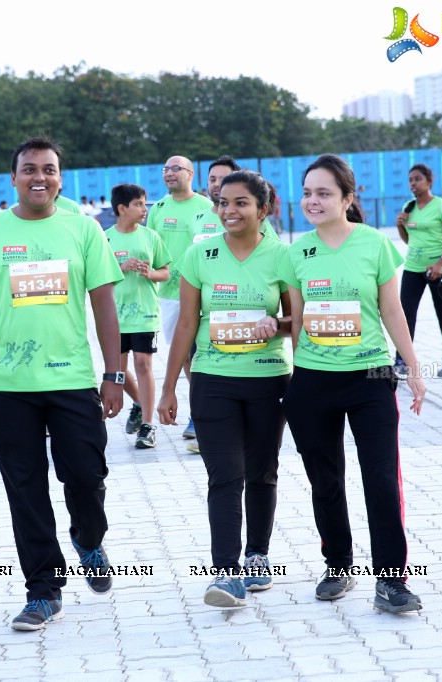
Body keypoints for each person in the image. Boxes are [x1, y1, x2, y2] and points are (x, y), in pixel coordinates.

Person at [0, 136, 124, 631]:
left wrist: (113, 374)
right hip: (9, 386)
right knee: (25, 490)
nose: (39, 177)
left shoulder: (84, 230)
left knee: (87, 476)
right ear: (13, 178)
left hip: (71, 381)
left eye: (48, 169)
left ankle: (88, 540)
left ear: (60, 178)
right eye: (29, 169)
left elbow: (104, 304)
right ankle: (43, 591)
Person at [282, 153, 426, 614]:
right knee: (325, 480)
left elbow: (392, 310)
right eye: (307, 192)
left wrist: (413, 366)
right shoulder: (296, 251)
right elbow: (297, 319)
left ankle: (391, 581)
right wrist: (269, 325)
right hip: (311, 380)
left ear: (348, 197)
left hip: (371, 377)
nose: (313, 200)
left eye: (324, 192)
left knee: (382, 480)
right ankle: (338, 565)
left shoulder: (376, 245)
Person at [158, 170, 292, 608]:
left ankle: (258, 555)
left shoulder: (282, 256)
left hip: (270, 378)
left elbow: (298, 321)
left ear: (263, 209)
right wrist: (169, 387)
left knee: (262, 471)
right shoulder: (200, 256)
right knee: (224, 476)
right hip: (213, 381)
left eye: (240, 203)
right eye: (223, 203)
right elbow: (186, 327)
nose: (229, 211)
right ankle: (225, 572)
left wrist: (279, 322)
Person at [148, 155, 213, 445]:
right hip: (169, 296)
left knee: (203, 352)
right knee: (185, 355)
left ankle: (201, 415)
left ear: (190, 173)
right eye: (166, 169)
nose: (169, 174)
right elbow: (150, 246)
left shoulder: (206, 207)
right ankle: (198, 410)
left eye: (176, 169)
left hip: (203, 293)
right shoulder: (158, 208)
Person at [106, 183, 170, 449]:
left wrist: (150, 274)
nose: (145, 209)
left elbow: (165, 272)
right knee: (119, 372)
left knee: (143, 365)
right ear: (122, 208)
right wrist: (121, 267)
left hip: (145, 314)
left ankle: (147, 425)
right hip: (115, 317)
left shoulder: (151, 236)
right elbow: (98, 280)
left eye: (145, 203)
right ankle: (138, 404)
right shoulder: (104, 238)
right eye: (139, 204)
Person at [394, 164, 442, 379]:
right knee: (405, 314)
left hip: (439, 269)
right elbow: (408, 240)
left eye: (418, 179)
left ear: (429, 181)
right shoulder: (409, 206)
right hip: (413, 268)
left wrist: (440, 263)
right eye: (410, 179)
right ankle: (401, 360)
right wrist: (400, 226)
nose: (413, 183)